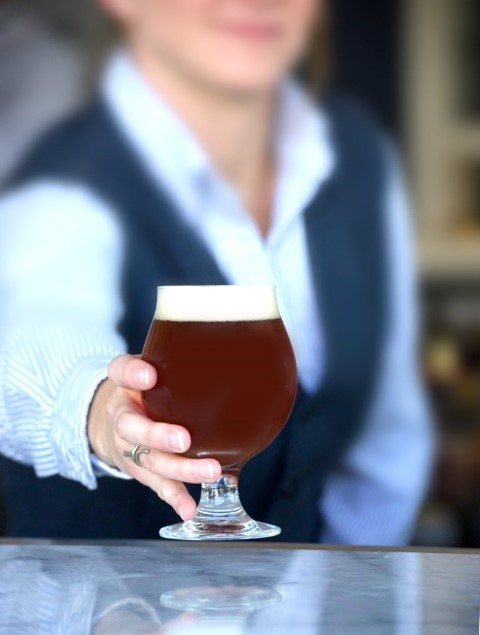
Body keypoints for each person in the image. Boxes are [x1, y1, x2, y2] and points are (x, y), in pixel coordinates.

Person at [0, 0, 433, 542]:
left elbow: (386, 450)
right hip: (114, 621)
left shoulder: (359, 160)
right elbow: (32, 328)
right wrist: (104, 411)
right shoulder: (64, 177)